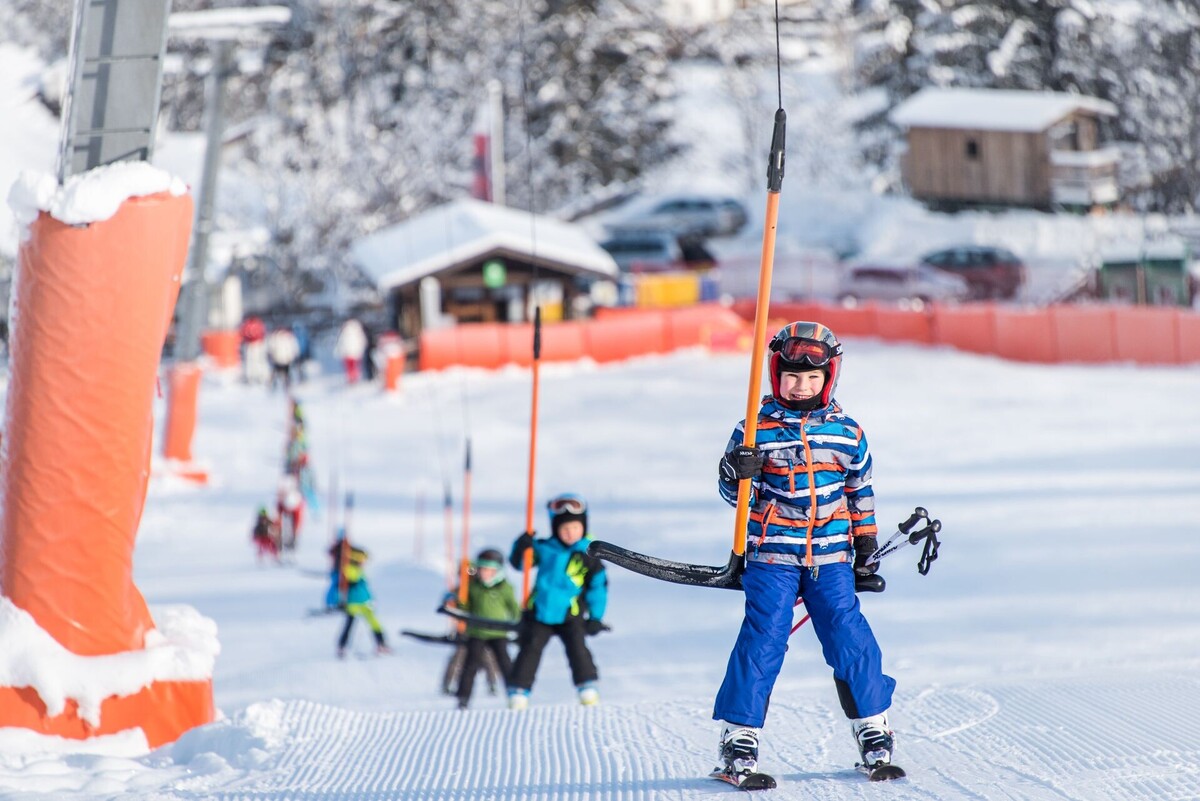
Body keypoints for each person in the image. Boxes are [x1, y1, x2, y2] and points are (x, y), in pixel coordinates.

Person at [712, 321, 894, 781]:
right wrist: (737, 471)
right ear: (776, 374)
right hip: (772, 556)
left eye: (812, 378)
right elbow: (735, 498)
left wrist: (866, 541)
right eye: (792, 376)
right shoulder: (754, 428)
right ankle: (740, 736)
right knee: (764, 639)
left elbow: (860, 490)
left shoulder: (848, 433)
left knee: (848, 636)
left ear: (828, 377)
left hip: (830, 558)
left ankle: (873, 727)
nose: (801, 385)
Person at [507, 493, 608, 710]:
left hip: (570, 613)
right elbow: (520, 565)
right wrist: (522, 546)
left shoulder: (590, 552)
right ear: (555, 528)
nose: (569, 533)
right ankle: (518, 691)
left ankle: (587, 687)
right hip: (540, 611)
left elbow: (598, 587)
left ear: (583, 527)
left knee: (577, 649)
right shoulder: (544, 547)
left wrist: (596, 617)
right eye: (564, 529)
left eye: (574, 528)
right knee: (530, 650)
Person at [443, 548, 522, 710]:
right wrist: (457, 604)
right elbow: (464, 607)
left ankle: (514, 693)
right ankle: (463, 697)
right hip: (476, 632)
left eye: (489, 570)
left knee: (505, 664)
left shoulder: (505, 588)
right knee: (470, 665)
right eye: (482, 569)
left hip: (498, 632)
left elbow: (513, 608)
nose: (484, 573)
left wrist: (521, 623)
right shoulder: (473, 587)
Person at [329, 535, 391, 658]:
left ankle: (343, 645)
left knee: (354, 623)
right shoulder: (350, 570)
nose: (364, 563)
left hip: (359, 601)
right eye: (363, 560)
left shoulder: (350, 569)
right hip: (358, 602)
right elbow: (345, 584)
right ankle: (380, 644)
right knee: (369, 623)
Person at [335, 317, 368, 384]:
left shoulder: (345, 332)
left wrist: (340, 351)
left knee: (350, 367)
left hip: (348, 353)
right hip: (355, 353)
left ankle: (351, 378)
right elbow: (362, 341)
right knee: (355, 366)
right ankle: (354, 378)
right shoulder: (358, 330)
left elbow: (341, 342)